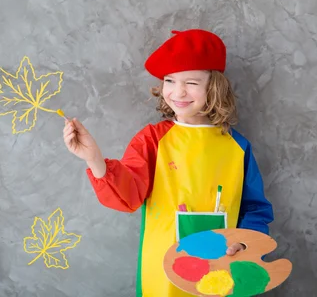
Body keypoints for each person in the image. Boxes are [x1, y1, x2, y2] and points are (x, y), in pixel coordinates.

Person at [62, 29, 274, 296]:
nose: (178, 92)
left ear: (215, 86)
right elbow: (127, 195)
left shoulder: (237, 146)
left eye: (192, 83)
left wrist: (244, 243)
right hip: (162, 272)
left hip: (223, 268)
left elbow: (254, 208)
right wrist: (93, 158)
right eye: (170, 81)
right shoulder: (152, 139)